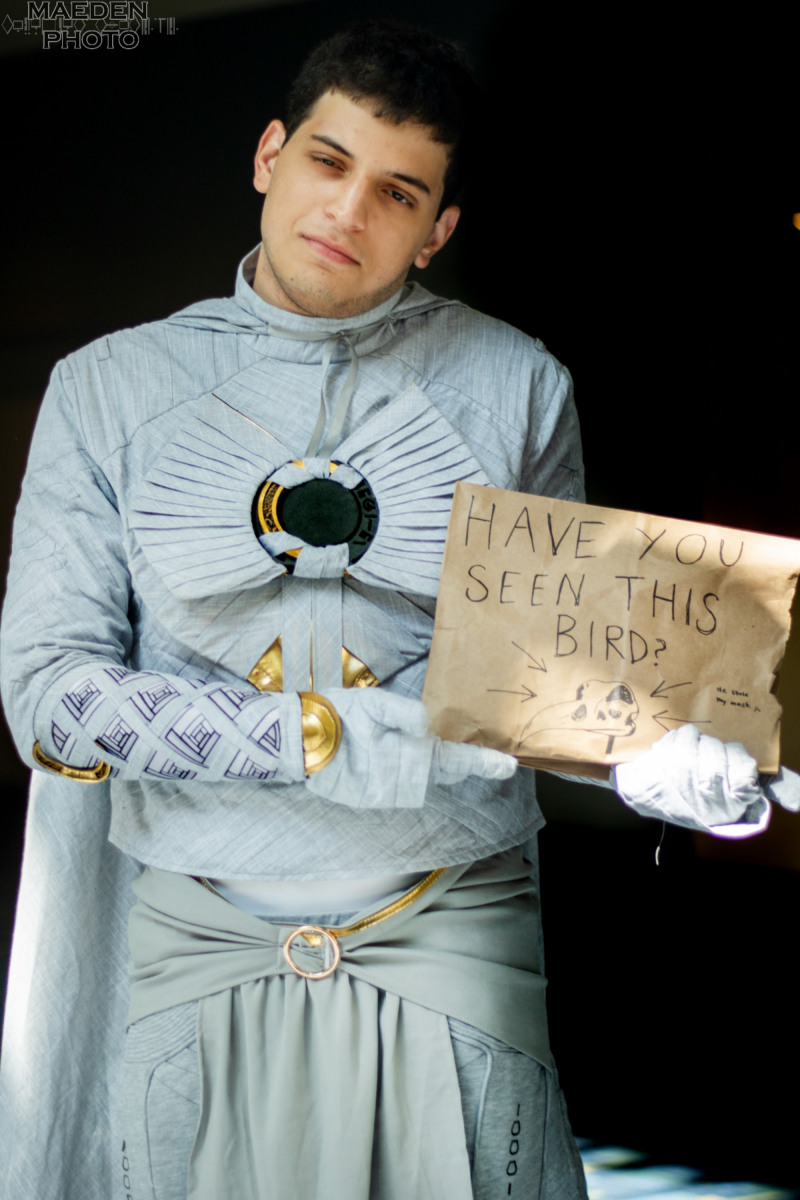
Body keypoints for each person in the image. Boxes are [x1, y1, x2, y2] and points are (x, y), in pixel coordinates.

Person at [0, 19, 795, 1200]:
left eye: (397, 192)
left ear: (437, 230)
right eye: (328, 162)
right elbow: (50, 700)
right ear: (269, 156)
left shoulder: (519, 384)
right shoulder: (105, 388)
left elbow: (548, 683)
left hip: (454, 928)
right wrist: (314, 734)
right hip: (194, 940)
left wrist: (656, 760)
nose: (348, 210)